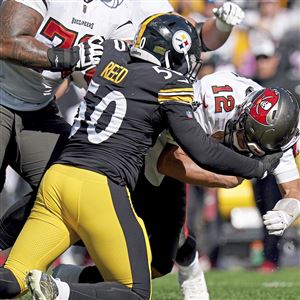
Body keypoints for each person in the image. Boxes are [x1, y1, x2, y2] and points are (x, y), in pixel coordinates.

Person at [0, 14, 281, 300]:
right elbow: (202, 150)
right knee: (135, 291)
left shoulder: (110, 54)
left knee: (11, 280)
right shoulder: (171, 85)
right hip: (99, 185)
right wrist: (257, 168)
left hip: (57, 177)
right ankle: (58, 291)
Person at [54, 71, 300, 300]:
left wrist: (287, 211)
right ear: (242, 111)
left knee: (159, 265)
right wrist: (226, 179)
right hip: (150, 147)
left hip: (180, 159)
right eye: (248, 137)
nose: (248, 148)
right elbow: (169, 159)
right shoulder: (214, 101)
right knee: (104, 231)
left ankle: (69, 277)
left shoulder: (282, 134)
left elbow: (293, 190)